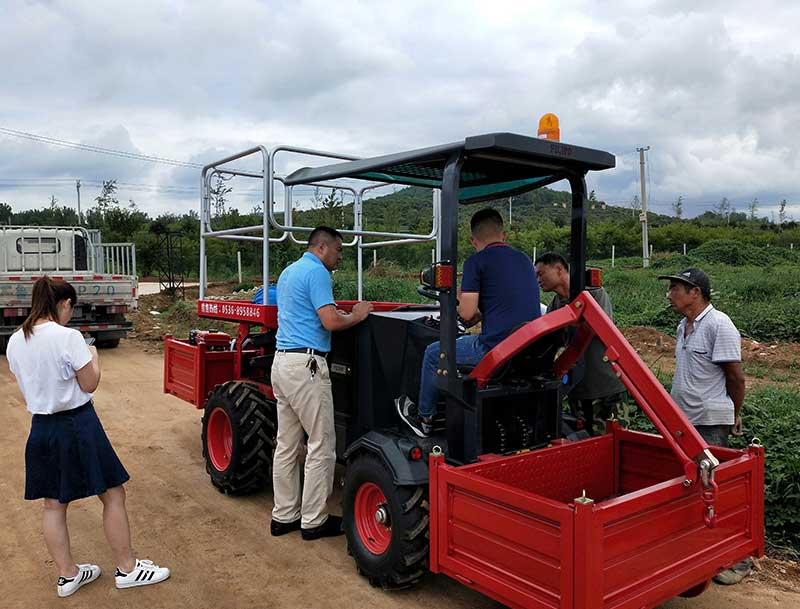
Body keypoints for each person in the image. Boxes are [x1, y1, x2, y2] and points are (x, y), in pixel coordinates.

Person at [5, 277, 170, 598]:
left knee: (53, 504)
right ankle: (128, 568)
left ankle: (68, 576)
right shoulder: (68, 337)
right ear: (64, 303)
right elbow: (89, 383)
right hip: (78, 424)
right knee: (112, 493)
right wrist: (93, 355)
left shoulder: (15, 340)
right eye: (71, 308)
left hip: (41, 427)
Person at [396, 208, 540, 438]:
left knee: (434, 354)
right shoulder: (523, 259)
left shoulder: (476, 262)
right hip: (529, 348)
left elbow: (467, 311)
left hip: (495, 348)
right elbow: (498, 304)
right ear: (503, 236)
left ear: (473, 241)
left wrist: (455, 299)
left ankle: (424, 419)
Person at [270, 226, 372, 540]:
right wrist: (357, 315)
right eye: (339, 250)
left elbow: (309, 314)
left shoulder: (290, 271)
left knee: (287, 445)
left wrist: (337, 314)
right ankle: (313, 520)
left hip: (283, 361)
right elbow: (329, 321)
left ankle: (284, 515)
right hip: (307, 366)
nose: (340, 256)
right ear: (323, 248)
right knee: (321, 445)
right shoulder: (317, 273)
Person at [658, 267, 751, 585]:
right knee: (690, 486)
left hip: (710, 421)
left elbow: (736, 377)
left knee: (717, 487)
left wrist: (734, 413)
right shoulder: (683, 326)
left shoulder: (718, 324)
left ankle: (736, 559)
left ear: (694, 292)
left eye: (675, 288)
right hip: (683, 422)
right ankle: (698, 549)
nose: (670, 294)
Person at [534, 252, 626, 434]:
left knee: (612, 443)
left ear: (559, 269)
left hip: (604, 386)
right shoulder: (556, 304)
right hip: (578, 388)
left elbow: (593, 329)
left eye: (541, 274)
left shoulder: (593, 293)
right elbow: (551, 338)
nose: (538, 280)